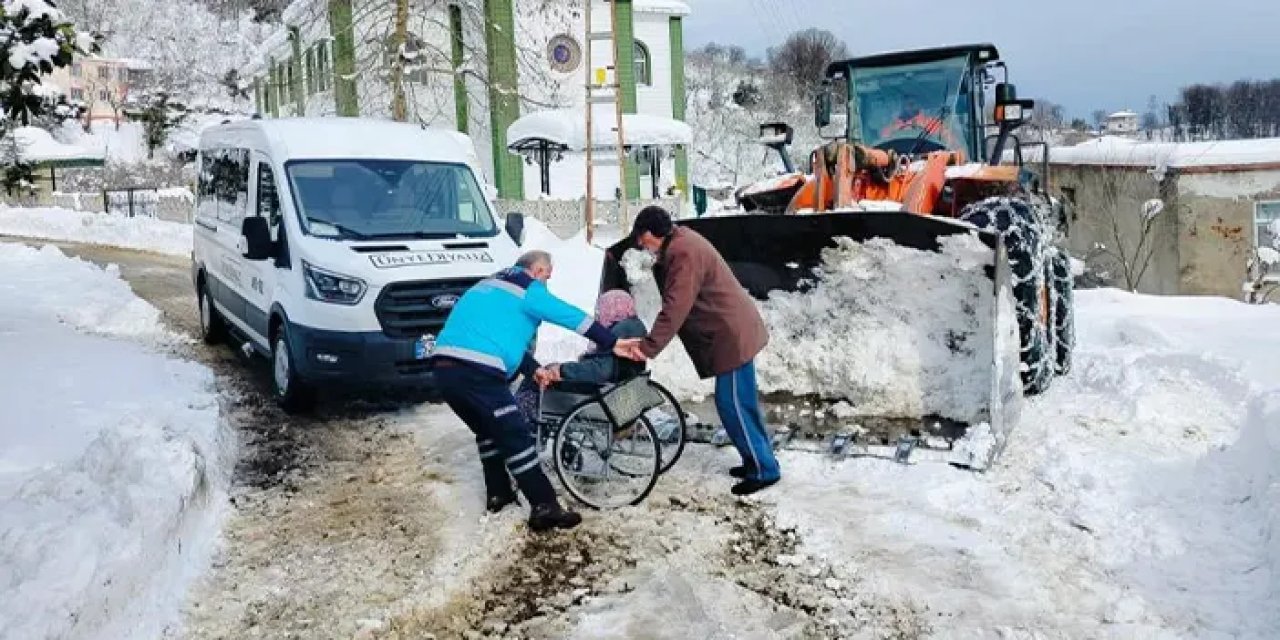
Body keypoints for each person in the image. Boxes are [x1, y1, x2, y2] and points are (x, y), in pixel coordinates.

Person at [430, 250, 644, 532]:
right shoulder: (526, 287)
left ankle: (499, 495)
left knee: (488, 431)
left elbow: (499, 341)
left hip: (445, 370)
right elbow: (569, 315)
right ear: (537, 270)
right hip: (478, 372)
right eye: (547, 275)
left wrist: (534, 370)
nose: (547, 282)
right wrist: (611, 342)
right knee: (515, 433)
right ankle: (545, 506)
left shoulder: (489, 286)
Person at [619, 206, 782, 495]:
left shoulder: (683, 253)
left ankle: (763, 469)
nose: (642, 245)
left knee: (732, 404)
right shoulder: (681, 243)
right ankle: (757, 460)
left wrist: (647, 347)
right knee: (741, 402)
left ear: (653, 233)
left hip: (730, 336)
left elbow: (675, 307)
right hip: (732, 331)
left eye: (642, 238)